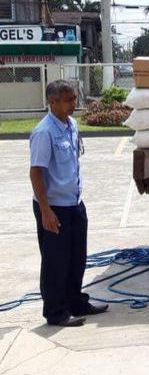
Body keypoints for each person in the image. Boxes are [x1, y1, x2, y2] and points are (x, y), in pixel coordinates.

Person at [29, 80, 108, 327]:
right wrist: (45, 211)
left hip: (74, 203)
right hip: (54, 207)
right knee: (56, 262)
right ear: (52, 102)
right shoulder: (44, 133)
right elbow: (36, 173)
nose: (74, 103)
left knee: (77, 258)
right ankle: (56, 312)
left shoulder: (71, 125)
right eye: (68, 100)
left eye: (74, 98)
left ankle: (76, 302)